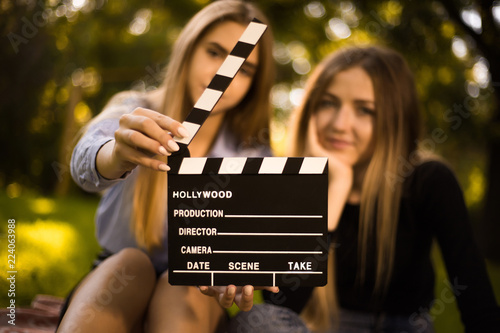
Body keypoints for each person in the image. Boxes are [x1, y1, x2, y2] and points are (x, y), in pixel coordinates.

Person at [230, 46, 500, 332]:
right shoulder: (288, 184)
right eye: (328, 103)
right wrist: (335, 186)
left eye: (365, 110)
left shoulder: (429, 180)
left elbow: (476, 299)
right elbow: (280, 310)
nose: (340, 124)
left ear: (393, 119)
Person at [58, 1, 278, 332]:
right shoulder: (134, 110)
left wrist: (240, 268)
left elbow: (261, 239)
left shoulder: (253, 152)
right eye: (215, 52)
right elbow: (84, 162)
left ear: (255, 83)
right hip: (117, 282)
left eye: (243, 69)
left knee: (187, 279)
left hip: (198, 293)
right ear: (188, 49)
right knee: (131, 265)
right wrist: (115, 154)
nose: (225, 73)